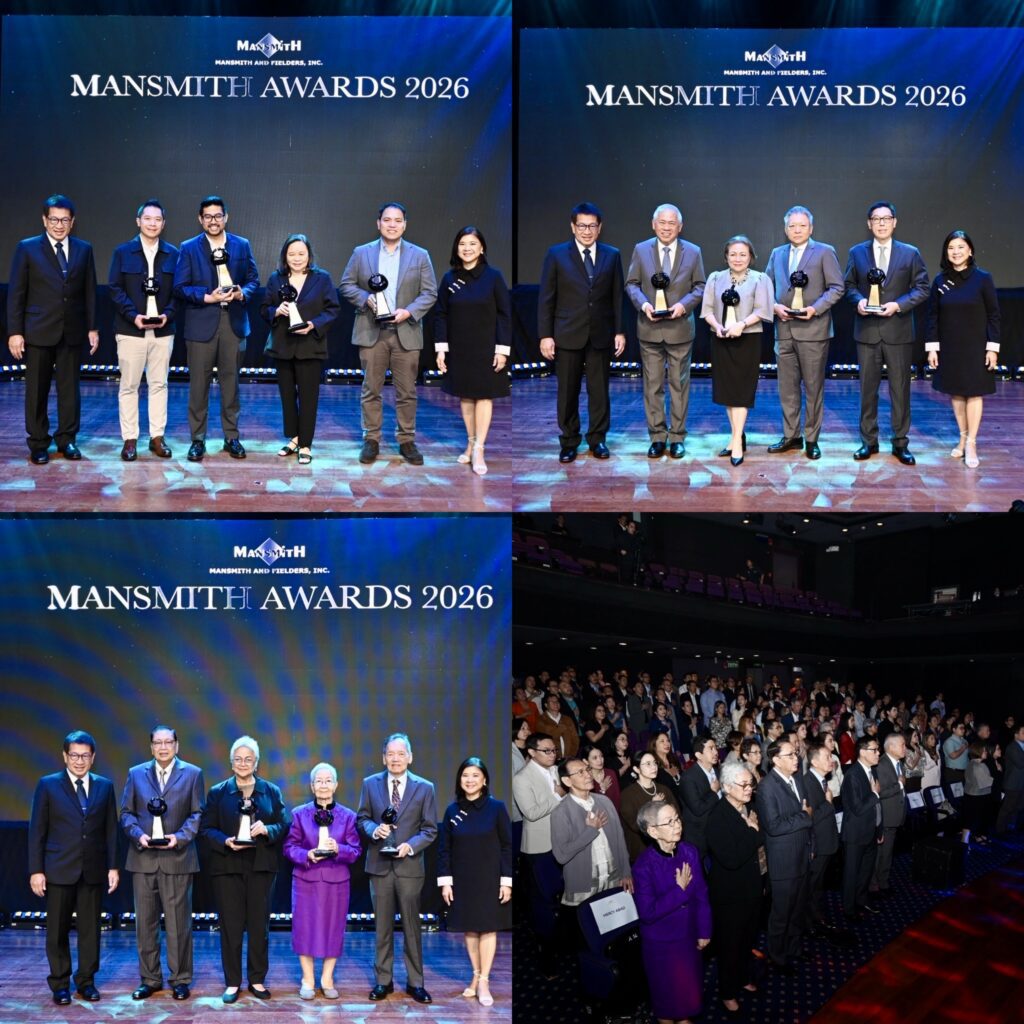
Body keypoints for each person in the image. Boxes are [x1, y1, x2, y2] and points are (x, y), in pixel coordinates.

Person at [340, 201, 438, 465]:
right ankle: (371, 439)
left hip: (406, 330)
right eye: (387, 220)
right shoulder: (362, 253)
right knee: (371, 389)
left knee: (407, 392)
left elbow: (430, 292)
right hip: (372, 331)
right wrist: (366, 299)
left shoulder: (420, 255)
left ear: (404, 225)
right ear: (378, 223)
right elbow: (346, 285)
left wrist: (409, 311)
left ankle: (406, 440)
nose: (392, 225)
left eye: (397, 220)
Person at [6, 193, 98, 464]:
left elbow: (90, 292)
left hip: (72, 331)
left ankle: (67, 439)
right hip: (37, 331)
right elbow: (16, 294)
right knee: (37, 390)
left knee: (70, 391)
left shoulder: (84, 249)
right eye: (54, 219)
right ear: (45, 220)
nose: (59, 225)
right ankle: (38, 443)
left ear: (73, 222)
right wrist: (15, 332)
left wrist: (92, 328)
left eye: (65, 220)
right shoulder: (27, 248)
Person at [28, 731, 118, 1005]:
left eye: (85, 756)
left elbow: (111, 831)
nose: (80, 761)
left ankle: (86, 982)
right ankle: (59, 984)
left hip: (93, 869)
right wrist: (36, 870)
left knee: (91, 930)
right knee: (57, 930)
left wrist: (113, 867)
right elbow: (37, 830)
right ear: (65, 756)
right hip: (58, 869)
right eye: (75, 755)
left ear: (93, 757)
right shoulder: (48, 785)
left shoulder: (105, 786)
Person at [199, 736, 289, 1003]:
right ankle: (232, 982)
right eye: (238, 759)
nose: (243, 763)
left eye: (248, 759)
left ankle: (257, 979)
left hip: (261, 867)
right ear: (231, 762)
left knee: (260, 926)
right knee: (230, 926)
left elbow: (285, 824)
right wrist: (225, 841)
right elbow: (206, 828)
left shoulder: (271, 791)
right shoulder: (218, 792)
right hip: (227, 867)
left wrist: (267, 829)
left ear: (256, 762)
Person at [119, 725, 204, 1002]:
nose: (164, 747)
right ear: (151, 747)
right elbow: (126, 813)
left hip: (178, 859)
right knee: (145, 925)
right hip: (143, 859)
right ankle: (150, 979)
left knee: (179, 925)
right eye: (158, 742)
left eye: (169, 742)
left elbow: (197, 814)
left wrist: (179, 838)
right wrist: (138, 836)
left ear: (177, 745)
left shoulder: (193, 774)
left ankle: (180, 979)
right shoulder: (136, 773)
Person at [537, 201, 625, 463]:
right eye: (582, 226)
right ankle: (569, 441)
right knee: (567, 391)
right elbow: (546, 298)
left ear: (600, 228)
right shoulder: (556, 254)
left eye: (592, 226)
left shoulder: (612, 255)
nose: (587, 231)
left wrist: (619, 331)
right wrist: (545, 335)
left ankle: (597, 439)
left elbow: (617, 297)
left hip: (600, 334)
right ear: (573, 227)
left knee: (599, 392)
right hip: (566, 333)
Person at [173, 195, 259, 462]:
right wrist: (206, 297)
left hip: (233, 323)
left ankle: (231, 437)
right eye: (208, 216)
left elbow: (253, 280)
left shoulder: (242, 245)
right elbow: (180, 287)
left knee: (230, 384)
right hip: (201, 323)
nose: (213, 221)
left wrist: (242, 293)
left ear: (226, 218)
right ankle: (197, 439)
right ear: (200, 219)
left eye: (218, 216)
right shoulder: (189, 248)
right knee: (198, 386)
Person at [844, 201, 929, 464]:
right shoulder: (857, 252)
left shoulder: (910, 253)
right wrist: (858, 301)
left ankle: (900, 443)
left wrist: (898, 305)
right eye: (876, 219)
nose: (881, 223)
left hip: (898, 331)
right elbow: (848, 286)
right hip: (867, 331)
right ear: (869, 223)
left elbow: (922, 288)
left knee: (900, 390)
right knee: (867, 390)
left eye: (886, 218)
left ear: (895, 222)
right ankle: (868, 441)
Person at [356, 733, 438, 1004]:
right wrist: (374, 829)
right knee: (382, 927)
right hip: (379, 866)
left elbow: (430, 829)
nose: (395, 759)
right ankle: (383, 981)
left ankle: (416, 983)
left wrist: (410, 846)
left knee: (412, 928)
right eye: (390, 754)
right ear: (383, 758)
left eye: (401, 754)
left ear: (410, 757)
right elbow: (362, 819)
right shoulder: (370, 784)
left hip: (409, 866)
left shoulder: (425, 787)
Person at [624, 203, 706, 460]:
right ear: (653, 224)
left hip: (680, 329)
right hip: (649, 329)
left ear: (680, 227)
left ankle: (677, 437)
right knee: (652, 386)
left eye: (672, 223)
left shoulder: (693, 251)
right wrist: (644, 305)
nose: (667, 227)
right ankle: (657, 437)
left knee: (679, 386)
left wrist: (683, 306)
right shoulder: (641, 249)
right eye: (662, 222)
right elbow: (632, 284)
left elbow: (700, 286)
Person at [764, 205, 844, 460]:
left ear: (811, 228)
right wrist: (774, 307)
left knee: (813, 388)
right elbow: (765, 287)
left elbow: (837, 287)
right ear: (785, 229)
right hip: (784, 330)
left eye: (802, 226)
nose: (797, 230)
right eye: (792, 226)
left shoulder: (824, 252)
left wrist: (815, 309)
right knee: (787, 389)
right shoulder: (777, 254)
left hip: (813, 330)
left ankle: (811, 439)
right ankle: (791, 436)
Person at [434, 226, 511, 475]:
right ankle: (470, 443)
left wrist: (502, 350)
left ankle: (479, 449)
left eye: (472, 244)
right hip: (459, 348)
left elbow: (504, 315)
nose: (467, 248)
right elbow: (441, 314)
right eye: (462, 244)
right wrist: (441, 350)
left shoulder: (494, 277)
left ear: (482, 248)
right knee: (465, 397)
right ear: (456, 248)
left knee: (484, 396)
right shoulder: (449, 279)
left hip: (487, 348)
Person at [437, 757, 512, 1007]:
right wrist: (446, 883)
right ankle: (476, 976)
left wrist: (506, 881)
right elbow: (444, 850)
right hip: (463, 880)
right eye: (465, 775)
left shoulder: (497, 808)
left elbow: (507, 846)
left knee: (488, 928)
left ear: (484, 780)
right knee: (469, 928)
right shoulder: (452, 811)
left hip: (490, 879)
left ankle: (484, 982)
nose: (470, 780)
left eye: (475, 775)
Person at [107, 199, 179, 461]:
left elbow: (179, 291)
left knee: (160, 384)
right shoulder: (122, 252)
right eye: (147, 218)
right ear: (138, 221)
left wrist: (167, 315)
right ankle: (130, 439)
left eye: (157, 219)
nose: (152, 223)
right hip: (130, 330)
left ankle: (157, 437)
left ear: (163, 223)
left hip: (163, 331)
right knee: (129, 385)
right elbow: (114, 288)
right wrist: (133, 315)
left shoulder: (173, 254)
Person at [260, 234, 340, 465]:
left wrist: (313, 325)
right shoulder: (276, 278)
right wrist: (276, 311)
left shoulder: (322, 278)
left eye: (301, 254)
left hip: (310, 346)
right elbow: (264, 309)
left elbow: (333, 310)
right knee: (287, 397)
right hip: (282, 346)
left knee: (308, 397)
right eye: (292, 254)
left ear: (309, 255)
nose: (297, 258)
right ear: (285, 256)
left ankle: (306, 444)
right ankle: (294, 438)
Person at [283, 762, 361, 1000]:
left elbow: (355, 851)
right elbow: (289, 847)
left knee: (333, 929)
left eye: (328, 781)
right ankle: (307, 979)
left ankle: (327, 979)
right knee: (304, 929)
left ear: (336, 785)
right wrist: (307, 854)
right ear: (312, 786)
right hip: (305, 879)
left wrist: (338, 849)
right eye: (319, 781)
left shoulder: (348, 816)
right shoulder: (299, 814)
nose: (324, 785)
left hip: (337, 881)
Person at [925, 229, 1001, 468]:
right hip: (950, 348)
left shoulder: (983, 278)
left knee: (974, 393)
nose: (955, 252)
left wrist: (992, 348)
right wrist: (932, 348)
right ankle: (962, 438)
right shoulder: (940, 281)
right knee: (956, 393)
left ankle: (972, 443)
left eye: (960, 247)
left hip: (977, 348)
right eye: (951, 248)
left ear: (970, 251)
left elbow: (994, 315)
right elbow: (933, 317)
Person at [632, 799, 711, 1024]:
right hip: (662, 945)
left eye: (677, 819)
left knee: (688, 992)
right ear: (652, 831)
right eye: (669, 822)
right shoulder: (643, 866)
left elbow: (702, 894)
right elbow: (647, 912)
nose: (677, 825)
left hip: (688, 936)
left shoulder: (689, 851)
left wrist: (704, 930)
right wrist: (679, 891)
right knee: (666, 999)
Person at [701, 235, 773, 465]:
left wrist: (741, 325)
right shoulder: (715, 278)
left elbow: (763, 311)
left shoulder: (760, 279)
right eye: (733, 254)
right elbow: (707, 310)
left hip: (748, 340)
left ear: (751, 256)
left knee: (741, 392)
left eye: (743, 254)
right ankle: (735, 437)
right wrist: (718, 327)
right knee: (728, 392)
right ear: (726, 257)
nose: (738, 258)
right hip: (720, 339)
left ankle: (737, 443)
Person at [706, 762, 764, 1014]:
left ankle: (742, 978)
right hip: (730, 895)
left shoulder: (748, 807)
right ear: (727, 787)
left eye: (751, 783)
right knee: (730, 946)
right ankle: (727, 992)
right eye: (744, 784)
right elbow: (732, 858)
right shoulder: (717, 818)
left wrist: (753, 832)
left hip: (751, 887)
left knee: (747, 940)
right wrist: (752, 832)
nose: (749, 788)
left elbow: (759, 839)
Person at [755, 738, 813, 971]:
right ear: (776, 760)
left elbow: (805, 814)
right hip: (783, 862)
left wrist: (810, 845)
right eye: (790, 755)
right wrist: (804, 817)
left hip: (802, 854)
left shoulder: (797, 779)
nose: (796, 758)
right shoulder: (767, 787)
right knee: (781, 914)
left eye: (795, 753)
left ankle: (794, 949)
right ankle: (777, 958)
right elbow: (773, 826)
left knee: (798, 909)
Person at [551, 756, 633, 908]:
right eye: (580, 772)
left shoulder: (604, 801)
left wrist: (626, 872)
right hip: (584, 887)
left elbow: (620, 840)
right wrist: (591, 830)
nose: (588, 775)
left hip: (614, 880)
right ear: (567, 781)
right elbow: (561, 855)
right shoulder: (561, 812)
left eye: (587, 769)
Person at [512, 734, 564, 950]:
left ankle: (561, 937)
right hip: (539, 847)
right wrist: (557, 796)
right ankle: (544, 943)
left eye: (554, 750)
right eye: (547, 751)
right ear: (532, 752)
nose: (552, 754)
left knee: (562, 893)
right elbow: (531, 813)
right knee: (542, 898)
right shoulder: (521, 778)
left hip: (562, 841)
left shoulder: (557, 770)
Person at [839, 735, 883, 922]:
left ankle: (861, 901)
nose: (878, 753)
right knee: (852, 873)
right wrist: (874, 794)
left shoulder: (872, 771)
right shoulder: (852, 775)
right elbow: (857, 808)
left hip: (870, 831)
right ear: (863, 752)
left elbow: (877, 807)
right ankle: (849, 910)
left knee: (866, 871)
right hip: (856, 834)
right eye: (874, 750)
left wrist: (879, 829)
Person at [803, 738, 840, 937]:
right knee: (812, 885)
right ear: (814, 761)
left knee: (819, 885)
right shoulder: (808, 783)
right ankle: (808, 923)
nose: (831, 760)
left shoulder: (821, 781)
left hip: (826, 841)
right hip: (816, 844)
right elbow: (810, 817)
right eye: (827, 757)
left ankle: (816, 916)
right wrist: (828, 803)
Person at [620, 751, 680, 862]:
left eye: (654, 763)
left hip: (668, 846)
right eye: (648, 764)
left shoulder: (663, 789)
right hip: (643, 850)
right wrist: (651, 805)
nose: (653, 767)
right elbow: (636, 826)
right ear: (637, 769)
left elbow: (678, 815)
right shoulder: (627, 794)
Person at [870, 731, 907, 897]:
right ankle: (875, 885)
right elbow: (880, 792)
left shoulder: (898, 763)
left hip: (895, 815)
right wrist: (899, 785)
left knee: (887, 852)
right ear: (891, 747)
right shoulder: (882, 764)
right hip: (885, 817)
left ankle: (882, 882)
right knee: (881, 853)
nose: (905, 748)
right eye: (902, 745)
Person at [679, 734, 721, 858]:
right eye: (711, 748)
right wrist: (714, 792)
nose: (716, 752)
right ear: (698, 755)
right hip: (699, 833)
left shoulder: (717, 771)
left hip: (717, 827)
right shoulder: (688, 778)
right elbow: (698, 809)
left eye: (715, 748)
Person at [995, 722, 1024, 835]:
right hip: (1013, 783)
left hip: (1021, 783)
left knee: (1018, 807)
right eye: (1023, 732)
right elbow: (1020, 763)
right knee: (1007, 807)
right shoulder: (1012, 747)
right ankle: (1000, 829)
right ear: (1016, 735)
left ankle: (1011, 827)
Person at [581, 743, 621, 810]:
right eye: (595, 758)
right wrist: (602, 790)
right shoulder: (585, 779)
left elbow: (617, 799)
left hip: (613, 812)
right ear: (586, 761)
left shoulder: (610, 773)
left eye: (601, 756)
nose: (600, 760)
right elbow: (589, 806)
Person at [942, 719, 970, 785]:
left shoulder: (964, 740)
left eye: (964, 728)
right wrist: (963, 748)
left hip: (965, 772)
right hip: (954, 773)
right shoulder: (949, 741)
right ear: (954, 729)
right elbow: (953, 756)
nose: (963, 730)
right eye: (961, 728)